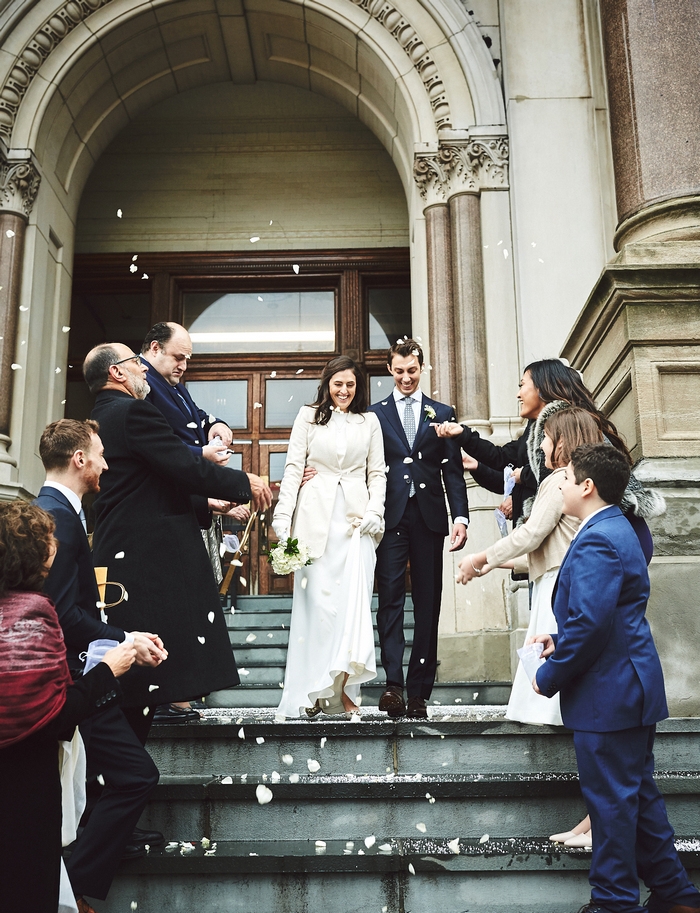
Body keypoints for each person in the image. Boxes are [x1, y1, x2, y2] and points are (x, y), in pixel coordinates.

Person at [532, 444, 700, 913]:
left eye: (565, 479)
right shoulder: (615, 528)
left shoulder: (599, 537)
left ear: (586, 487)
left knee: (611, 804)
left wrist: (549, 675)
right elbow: (601, 616)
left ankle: (613, 903)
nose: (560, 485)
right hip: (626, 686)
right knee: (638, 798)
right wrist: (556, 638)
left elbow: (590, 626)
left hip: (611, 693)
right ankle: (675, 895)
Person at [82, 343, 272, 721]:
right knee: (155, 635)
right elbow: (182, 465)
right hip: (147, 553)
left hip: (125, 544)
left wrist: (207, 504)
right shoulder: (134, 411)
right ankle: (161, 703)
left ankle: (160, 701)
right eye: (136, 363)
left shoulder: (102, 415)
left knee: (144, 637)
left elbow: (147, 482)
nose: (143, 370)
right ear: (117, 373)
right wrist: (243, 482)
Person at [34, 419, 166, 901]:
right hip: (71, 680)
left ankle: (76, 876)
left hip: (79, 673)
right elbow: (62, 612)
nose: (107, 463)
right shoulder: (60, 518)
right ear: (80, 459)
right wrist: (123, 638)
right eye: (101, 453)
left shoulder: (56, 510)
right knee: (136, 775)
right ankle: (76, 883)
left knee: (113, 776)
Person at [0, 501, 138, 913]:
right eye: (48, 543)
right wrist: (109, 670)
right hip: (25, 790)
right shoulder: (33, 614)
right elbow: (52, 714)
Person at [456, 408, 603, 732]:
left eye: (547, 439)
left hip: (557, 587)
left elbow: (530, 534)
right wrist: (494, 565)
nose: (540, 447)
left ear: (563, 442)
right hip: (560, 578)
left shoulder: (557, 480)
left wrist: (479, 558)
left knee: (550, 672)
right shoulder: (577, 482)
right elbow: (547, 549)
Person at [441, 359, 663, 557]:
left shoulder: (568, 424)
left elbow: (555, 475)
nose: (518, 394)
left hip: (617, 539)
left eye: (522, 385)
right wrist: (464, 437)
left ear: (542, 387)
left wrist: (484, 560)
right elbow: (503, 458)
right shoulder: (537, 429)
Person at [272, 356, 385, 717]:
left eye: (350, 384)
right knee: (319, 611)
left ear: (358, 387)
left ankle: (347, 694)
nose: (344, 390)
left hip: (356, 526)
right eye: (338, 383)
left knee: (352, 610)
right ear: (327, 384)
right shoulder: (308, 416)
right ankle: (314, 692)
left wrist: (374, 512)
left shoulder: (370, 421)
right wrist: (282, 517)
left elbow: (377, 473)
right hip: (313, 520)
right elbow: (293, 468)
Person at [140, 321, 240, 722]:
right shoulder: (144, 386)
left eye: (188, 358)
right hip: (162, 511)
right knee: (169, 605)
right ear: (154, 348)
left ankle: (182, 691)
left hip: (183, 507)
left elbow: (197, 417)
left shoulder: (175, 383)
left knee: (187, 605)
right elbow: (159, 445)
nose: (184, 365)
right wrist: (202, 455)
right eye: (179, 357)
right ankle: (169, 693)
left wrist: (217, 425)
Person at [370, 338, 469, 719]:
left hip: (429, 517)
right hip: (390, 516)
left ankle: (419, 692)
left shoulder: (442, 412)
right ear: (390, 370)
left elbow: (453, 471)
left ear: (422, 368)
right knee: (390, 599)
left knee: (428, 602)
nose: (406, 377)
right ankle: (393, 685)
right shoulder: (374, 415)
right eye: (399, 371)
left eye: (412, 371)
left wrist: (460, 516)